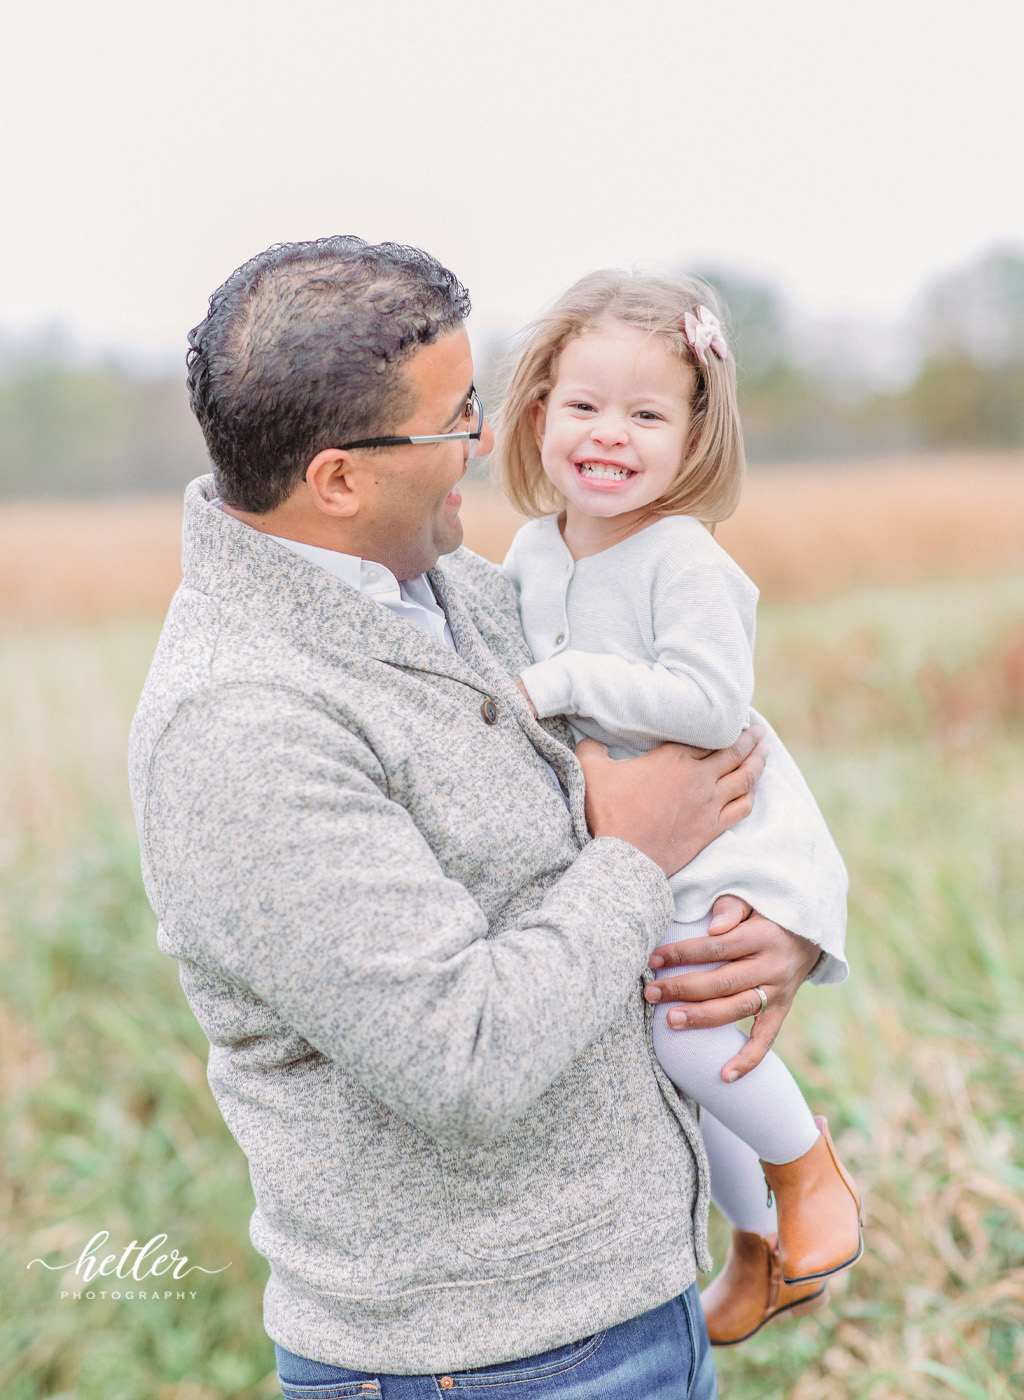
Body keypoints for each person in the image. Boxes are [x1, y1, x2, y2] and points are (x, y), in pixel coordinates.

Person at [128, 236, 830, 1399]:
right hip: (481, 1363)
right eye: (456, 418)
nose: (487, 442)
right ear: (338, 478)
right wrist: (634, 860)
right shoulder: (240, 727)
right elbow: (461, 1058)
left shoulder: (461, 587)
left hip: (632, 1302)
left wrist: (782, 927)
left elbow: (696, 750)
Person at [497, 269, 862, 1346]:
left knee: (684, 1024)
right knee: (666, 1045)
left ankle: (807, 1167)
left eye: (647, 413)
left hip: (719, 829)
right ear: (537, 412)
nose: (610, 435)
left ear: (695, 432)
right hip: (634, 838)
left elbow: (711, 704)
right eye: (584, 406)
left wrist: (564, 686)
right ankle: (758, 1248)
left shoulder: (683, 559)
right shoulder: (527, 550)